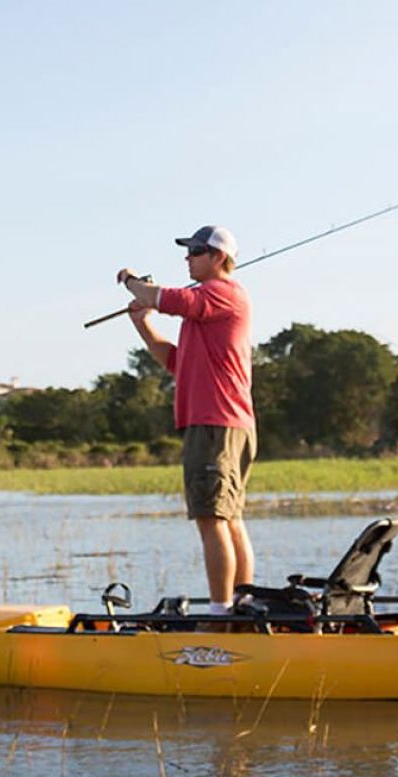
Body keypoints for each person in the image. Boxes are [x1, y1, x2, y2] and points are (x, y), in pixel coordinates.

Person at [114, 225, 256, 617]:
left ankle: (220, 613)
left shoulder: (220, 293)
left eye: (195, 250)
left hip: (215, 424)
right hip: (224, 424)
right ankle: (242, 604)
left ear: (218, 258)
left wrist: (131, 282)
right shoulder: (204, 308)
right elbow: (175, 361)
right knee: (228, 517)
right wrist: (142, 322)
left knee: (212, 518)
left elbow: (166, 298)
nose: (187, 257)